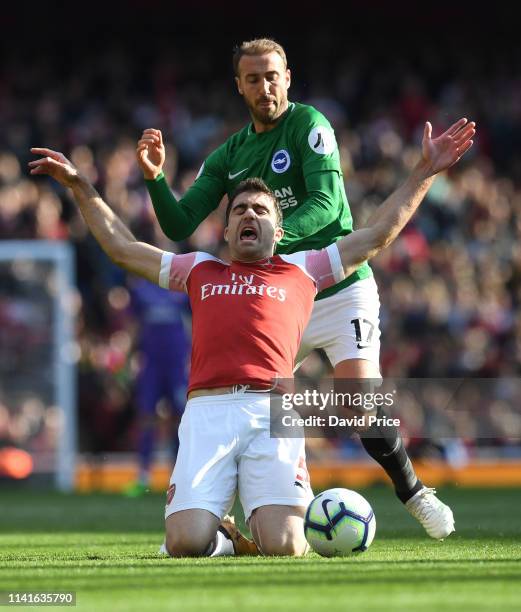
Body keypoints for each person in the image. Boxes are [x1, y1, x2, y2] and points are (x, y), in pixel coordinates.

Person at [29, 116, 474, 556]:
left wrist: (424, 171)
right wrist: (80, 186)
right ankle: (224, 538)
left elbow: (377, 234)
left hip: (272, 413)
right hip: (208, 412)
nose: (249, 214)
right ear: (225, 231)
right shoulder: (199, 268)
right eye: (239, 209)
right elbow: (123, 249)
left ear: (279, 233)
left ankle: (403, 492)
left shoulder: (304, 270)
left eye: (260, 210)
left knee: (287, 545)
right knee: (183, 543)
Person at [136, 38, 462, 538]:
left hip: (336, 284)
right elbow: (180, 223)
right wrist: (156, 178)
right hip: (278, 297)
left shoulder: (310, 126)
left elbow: (329, 206)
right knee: (254, 402)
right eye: (253, 78)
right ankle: (221, 512)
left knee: (358, 401)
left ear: (287, 78)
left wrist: (273, 243)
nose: (264, 86)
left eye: (272, 76)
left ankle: (414, 492)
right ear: (239, 86)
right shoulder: (231, 153)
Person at [124, 279, 190, 497]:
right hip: (151, 364)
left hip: (177, 365)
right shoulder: (141, 289)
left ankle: (179, 478)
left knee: (180, 419)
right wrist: (129, 358)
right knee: (146, 417)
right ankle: (143, 476)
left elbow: (196, 321)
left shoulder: (183, 287)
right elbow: (133, 325)